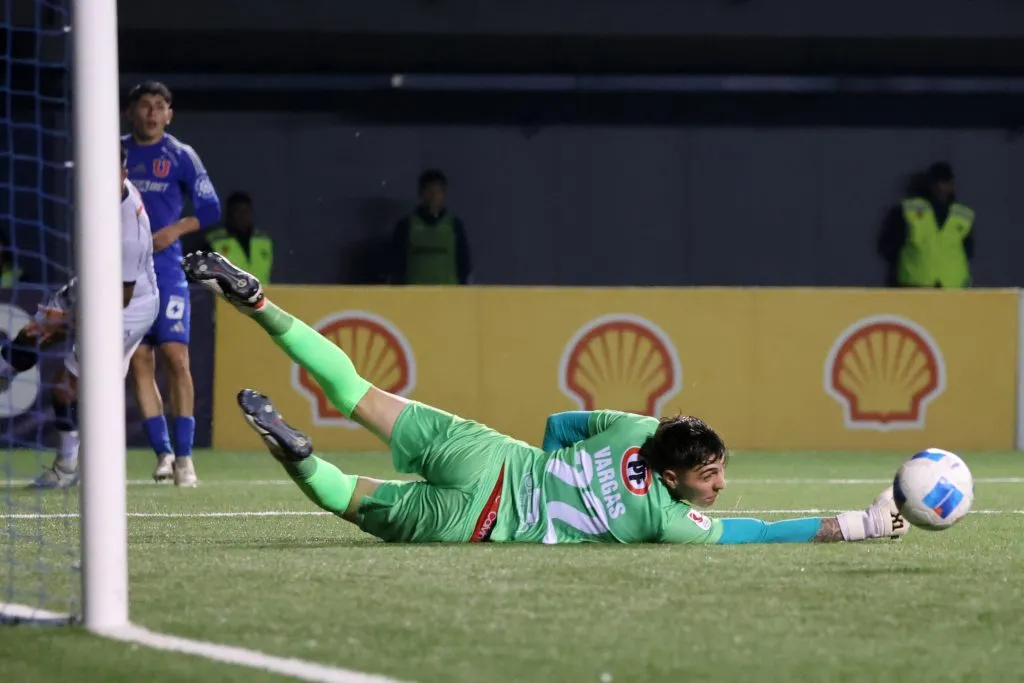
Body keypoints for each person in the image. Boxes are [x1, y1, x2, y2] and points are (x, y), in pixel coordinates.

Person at [183, 249, 907, 545]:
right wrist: (861, 525)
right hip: (482, 516)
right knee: (344, 495)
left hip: (488, 452)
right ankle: (299, 456)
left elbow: (561, 423)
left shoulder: (633, 424)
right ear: (673, 476)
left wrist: (553, 467)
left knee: (359, 391)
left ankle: (258, 304)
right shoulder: (663, 517)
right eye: (710, 473)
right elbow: (757, 534)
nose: (720, 483)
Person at [14, 146, 160, 487]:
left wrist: (68, 322)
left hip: (127, 309)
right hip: (95, 286)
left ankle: (67, 469)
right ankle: (7, 369)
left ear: (123, 174)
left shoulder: (130, 233)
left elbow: (119, 300)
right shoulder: (99, 191)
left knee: (66, 388)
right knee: (31, 333)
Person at [122, 80, 222, 486]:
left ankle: (185, 458)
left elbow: (210, 208)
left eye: (159, 105)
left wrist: (174, 230)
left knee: (176, 358)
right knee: (139, 361)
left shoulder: (180, 156)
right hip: (124, 269)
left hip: (166, 270)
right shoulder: (115, 150)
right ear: (132, 112)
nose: (151, 112)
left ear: (169, 114)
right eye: (144, 105)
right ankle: (163, 455)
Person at [389, 169, 472, 285]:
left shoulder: (454, 225)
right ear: (421, 194)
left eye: (438, 191)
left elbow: (464, 265)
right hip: (414, 296)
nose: (433, 196)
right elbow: (396, 266)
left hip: (448, 296)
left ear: (444, 193)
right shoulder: (406, 226)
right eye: (429, 191)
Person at [203, 191, 273, 284]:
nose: (243, 215)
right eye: (238, 210)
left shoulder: (264, 240)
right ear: (230, 213)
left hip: (261, 294)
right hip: (228, 296)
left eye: (246, 210)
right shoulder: (215, 240)